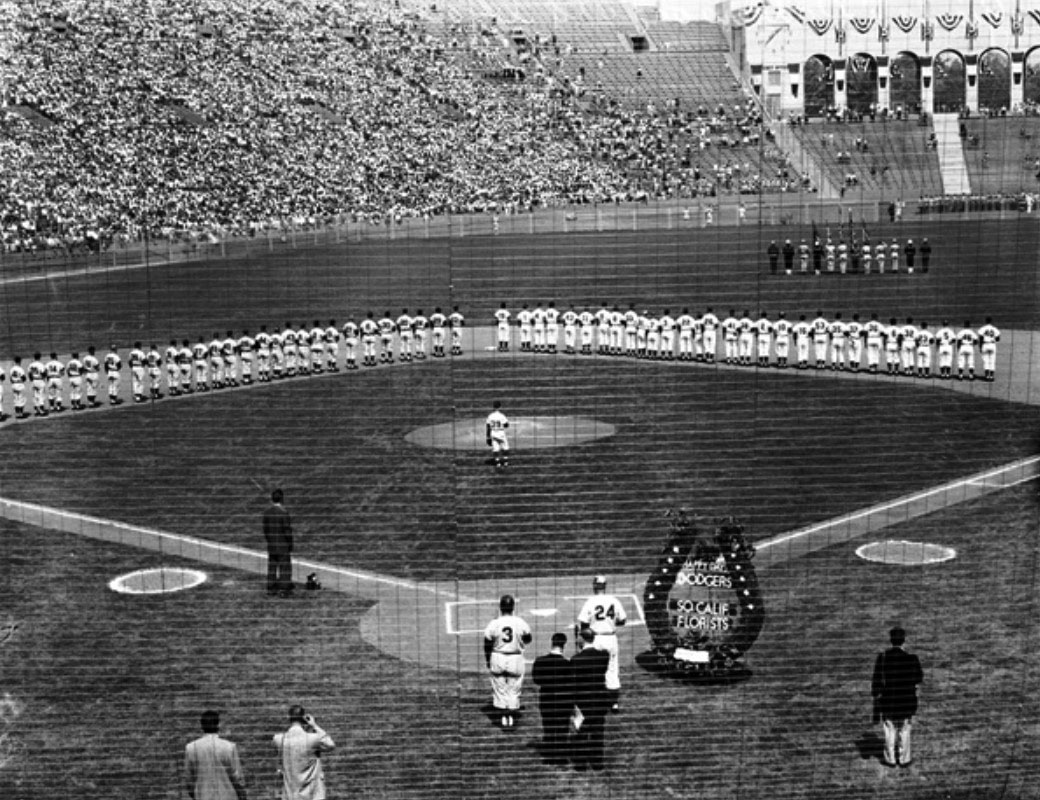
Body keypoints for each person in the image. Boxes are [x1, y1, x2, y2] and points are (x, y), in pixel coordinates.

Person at [871, 626, 923, 768]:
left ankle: (890, 759)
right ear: (904, 641)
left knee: (890, 729)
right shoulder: (912, 659)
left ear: (891, 640)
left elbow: (876, 681)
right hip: (906, 700)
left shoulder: (883, 658)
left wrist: (876, 696)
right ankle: (904, 758)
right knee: (905, 729)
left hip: (888, 700)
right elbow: (919, 678)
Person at [576, 576, 626, 712]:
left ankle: (594, 699)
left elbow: (584, 623)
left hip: (595, 639)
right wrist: (610, 623)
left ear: (594, 586)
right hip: (610, 638)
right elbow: (623, 620)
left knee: (593, 669)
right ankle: (614, 703)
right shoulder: (614, 601)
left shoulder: (590, 602)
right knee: (612, 669)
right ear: (605, 586)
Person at [483, 594, 533, 729]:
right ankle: (510, 716)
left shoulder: (494, 623)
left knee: (499, 687)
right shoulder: (520, 622)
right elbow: (528, 638)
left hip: (497, 656)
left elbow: (487, 641)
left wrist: (488, 659)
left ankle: (503, 717)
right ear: (513, 607)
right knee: (514, 687)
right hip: (515, 658)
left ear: (500, 607)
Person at [273, 706, 335, 800]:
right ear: (303, 719)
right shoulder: (313, 739)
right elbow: (330, 745)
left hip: (291, 795)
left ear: (288, 717)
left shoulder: (279, 739)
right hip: (313, 794)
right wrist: (314, 725)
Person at [184, 709, 248, 800]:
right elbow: (237, 777)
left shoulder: (191, 748)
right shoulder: (229, 747)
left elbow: (189, 779)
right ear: (218, 725)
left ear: (202, 726)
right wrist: (242, 794)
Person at [570, 627, 610, 771]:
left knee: (582, 731)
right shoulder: (603, 656)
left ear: (581, 639)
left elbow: (574, 681)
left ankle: (580, 764)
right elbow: (602, 651)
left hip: (583, 699)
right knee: (598, 731)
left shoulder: (575, 660)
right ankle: (597, 762)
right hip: (599, 697)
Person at [531, 632, 575, 765]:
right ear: (564, 645)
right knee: (562, 728)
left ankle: (549, 755)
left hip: (546, 699)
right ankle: (560, 756)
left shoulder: (540, 661)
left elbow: (536, 679)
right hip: (563, 701)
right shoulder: (567, 665)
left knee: (548, 726)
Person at [263, 489, 294, 596]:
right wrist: (290, 543)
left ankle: (271, 588)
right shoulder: (283, 513)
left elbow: (265, 530)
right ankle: (284, 589)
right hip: (283, 545)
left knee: (272, 567)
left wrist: (270, 541)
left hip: (271, 545)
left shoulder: (267, 512)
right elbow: (287, 530)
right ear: (281, 498)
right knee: (284, 567)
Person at [485, 400, 510, 470]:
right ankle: (505, 462)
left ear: (493, 407)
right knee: (506, 448)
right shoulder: (501, 415)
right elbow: (506, 425)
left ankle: (497, 463)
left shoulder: (490, 416)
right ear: (500, 407)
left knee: (495, 449)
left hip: (493, 433)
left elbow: (488, 427)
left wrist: (488, 437)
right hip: (501, 433)